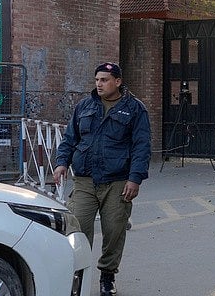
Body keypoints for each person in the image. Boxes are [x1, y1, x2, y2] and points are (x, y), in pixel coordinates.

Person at [54, 62, 152, 296]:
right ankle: (77, 276)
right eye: (97, 79)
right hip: (85, 181)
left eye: (105, 79)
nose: (99, 84)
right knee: (77, 229)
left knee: (114, 231)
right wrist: (61, 162)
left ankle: (107, 276)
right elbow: (70, 138)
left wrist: (135, 179)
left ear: (117, 82)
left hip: (118, 181)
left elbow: (142, 146)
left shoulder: (134, 109)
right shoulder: (85, 106)